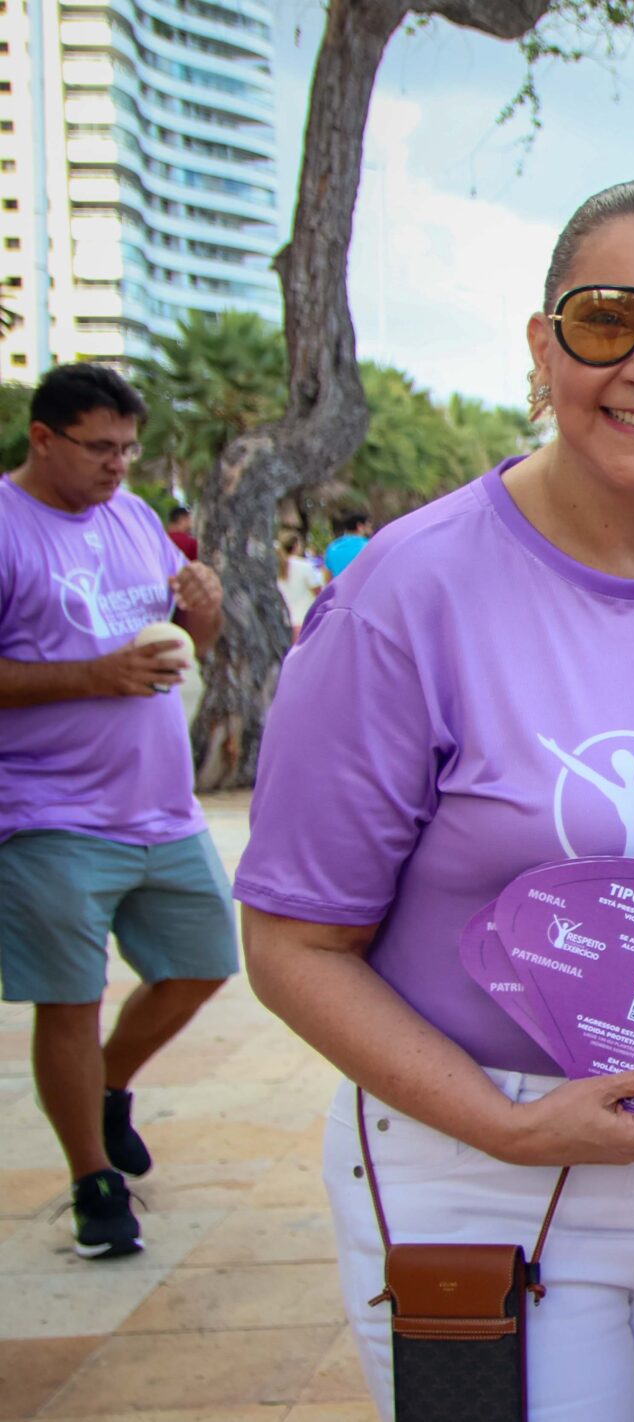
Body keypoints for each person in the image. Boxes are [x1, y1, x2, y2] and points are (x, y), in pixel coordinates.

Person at [232, 181, 634, 1420]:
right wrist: (504, 1128)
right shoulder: (406, 593)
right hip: (484, 1156)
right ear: (542, 344)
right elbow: (293, 944)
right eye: (609, 319)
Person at [0, 362, 235, 1261]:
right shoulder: (8, 526)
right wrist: (93, 677)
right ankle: (93, 1181)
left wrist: (204, 613)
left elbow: (184, 645)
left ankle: (105, 1088)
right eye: (100, 448)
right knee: (69, 1000)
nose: (118, 466)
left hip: (162, 806)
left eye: (129, 449)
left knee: (204, 962)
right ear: (44, 438)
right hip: (46, 812)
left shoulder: (133, 517)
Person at [276, 530, 327, 635]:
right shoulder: (304, 565)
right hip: (307, 619)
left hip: (289, 621)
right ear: (296, 546)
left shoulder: (278, 569)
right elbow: (318, 593)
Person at [319, 510, 371, 581]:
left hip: (341, 587)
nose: (370, 529)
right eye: (368, 525)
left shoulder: (332, 548)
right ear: (360, 526)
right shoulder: (369, 546)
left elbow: (327, 577)